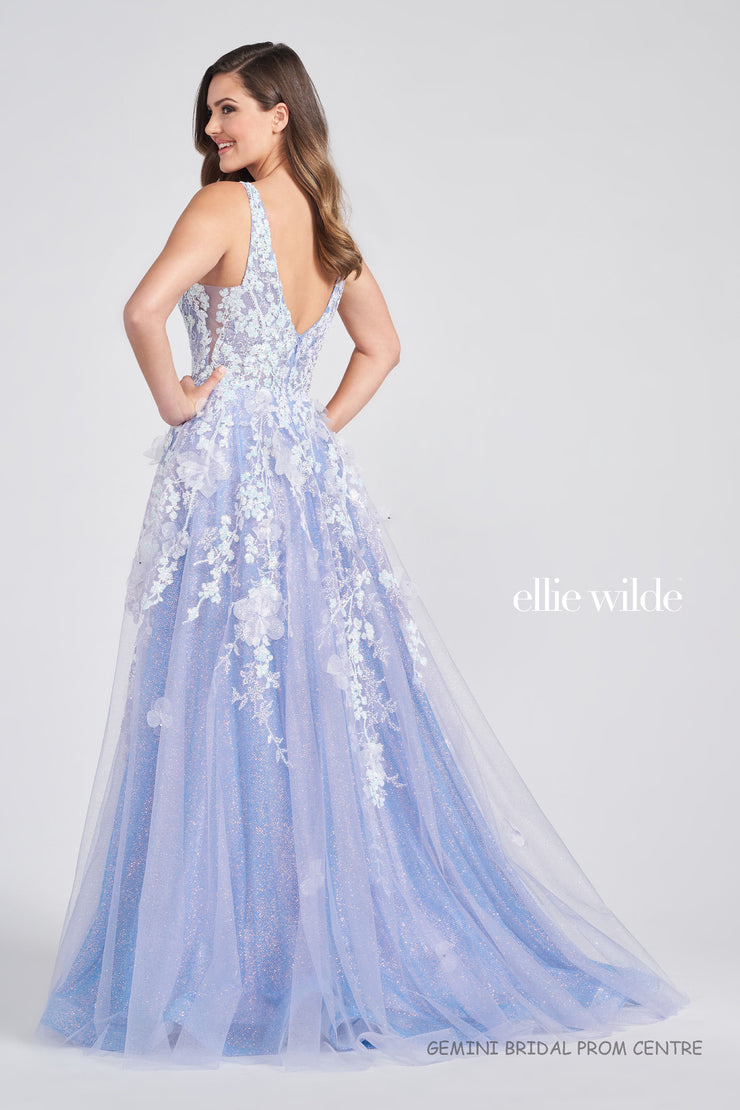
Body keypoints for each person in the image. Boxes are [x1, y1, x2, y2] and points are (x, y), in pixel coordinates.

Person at [33, 42, 689, 1071]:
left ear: (280, 113)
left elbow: (141, 310)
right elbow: (382, 348)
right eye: (208, 112)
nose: (212, 129)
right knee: (303, 702)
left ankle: (227, 967)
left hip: (229, 478)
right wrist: (308, 428)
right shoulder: (329, 229)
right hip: (302, 481)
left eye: (229, 109)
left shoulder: (223, 207)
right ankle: (291, 958)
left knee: (219, 696)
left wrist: (179, 402)